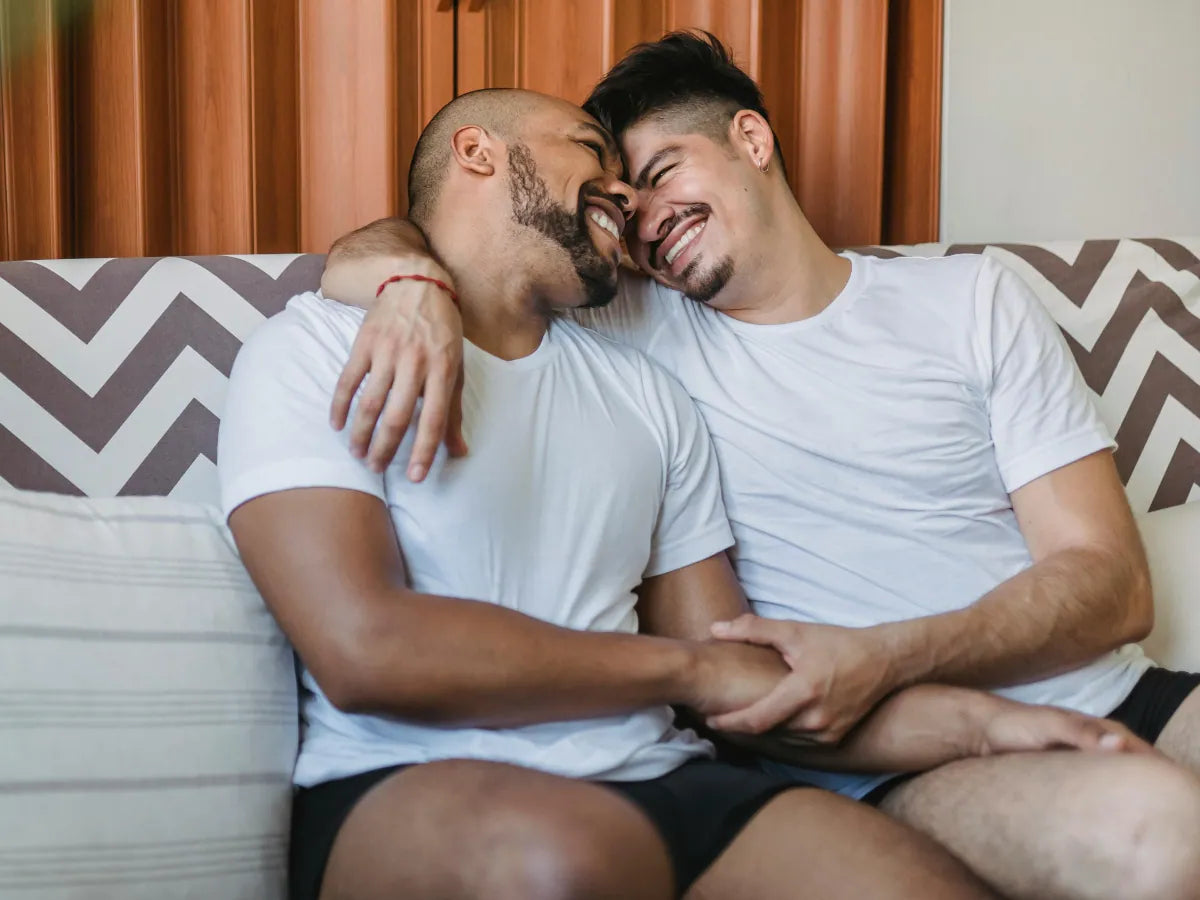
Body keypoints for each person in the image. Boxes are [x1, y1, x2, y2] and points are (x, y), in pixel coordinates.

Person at [319, 34, 1200, 900]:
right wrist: (407, 284)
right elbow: (449, 233)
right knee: (1168, 837)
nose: (644, 221)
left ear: (751, 138)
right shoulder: (626, 330)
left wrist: (891, 653)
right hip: (888, 760)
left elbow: (1114, 586)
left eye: (662, 174)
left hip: (1125, 690)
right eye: (623, 206)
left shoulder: (970, 298)